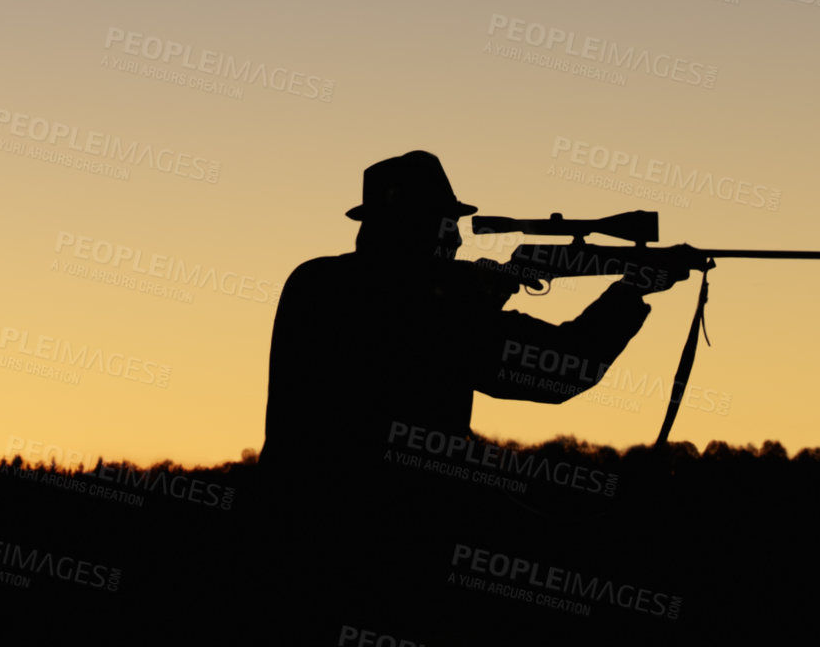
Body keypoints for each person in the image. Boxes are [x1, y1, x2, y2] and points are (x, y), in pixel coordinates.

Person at [259, 150, 689, 487]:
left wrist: (491, 290)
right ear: (417, 227)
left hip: (291, 504)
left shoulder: (314, 280)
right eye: (445, 224)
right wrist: (629, 291)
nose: (457, 238)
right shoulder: (436, 303)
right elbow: (566, 367)